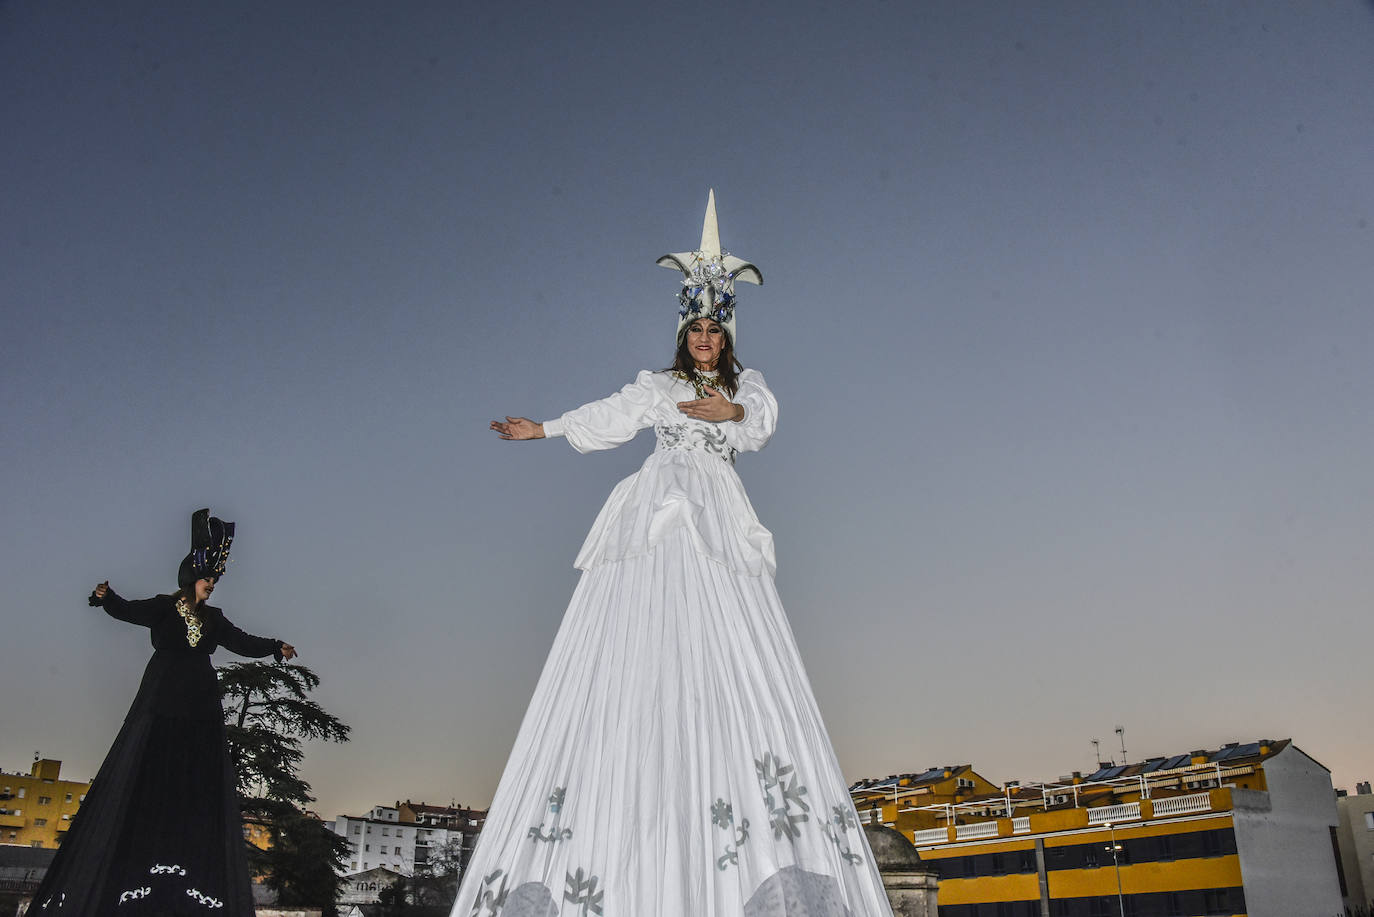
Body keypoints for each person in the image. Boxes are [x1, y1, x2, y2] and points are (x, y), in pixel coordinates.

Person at [459, 192, 893, 917]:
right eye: (694, 328)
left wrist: (737, 412)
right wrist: (546, 428)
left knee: (729, 644)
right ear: (683, 332)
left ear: (726, 337)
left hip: (716, 518)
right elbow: (614, 414)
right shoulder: (659, 387)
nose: (702, 339)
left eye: (713, 331)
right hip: (657, 511)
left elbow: (764, 422)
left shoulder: (744, 385)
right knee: (638, 637)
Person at [30, 508, 296, 917]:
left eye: (214, 581)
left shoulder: (216, 619)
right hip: (163, 689)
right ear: (191, 579)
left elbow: (242, 641)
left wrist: (275, 645)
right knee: (149, 749)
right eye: (208, 580)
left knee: (197, 755)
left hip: (201, 697)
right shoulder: (162, 607)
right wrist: (107, 599)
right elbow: (128, 610)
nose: (212, 586)